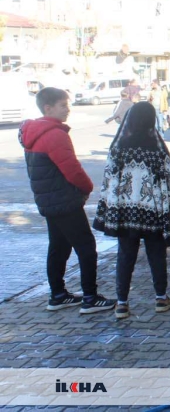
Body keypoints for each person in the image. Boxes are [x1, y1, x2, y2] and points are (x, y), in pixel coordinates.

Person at [19, 87, 116, 314]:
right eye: (63, 105)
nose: (68, 110)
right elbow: (72, 169)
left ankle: (58, 295)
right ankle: (90, 297)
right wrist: (88, 187)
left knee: (59, 246)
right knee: (86, 247)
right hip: (64, 201)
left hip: (49, 201)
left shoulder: (33, 132)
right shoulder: (54, 134)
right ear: (48, 108)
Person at [93, 102, 170, 319]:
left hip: (125, 213)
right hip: (153, 213)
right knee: (156, 254)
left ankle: (122, 304)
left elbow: (108, 180)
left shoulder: (118, 147)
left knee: (125, 255)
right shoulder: (157, 148)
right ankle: (161, 298)